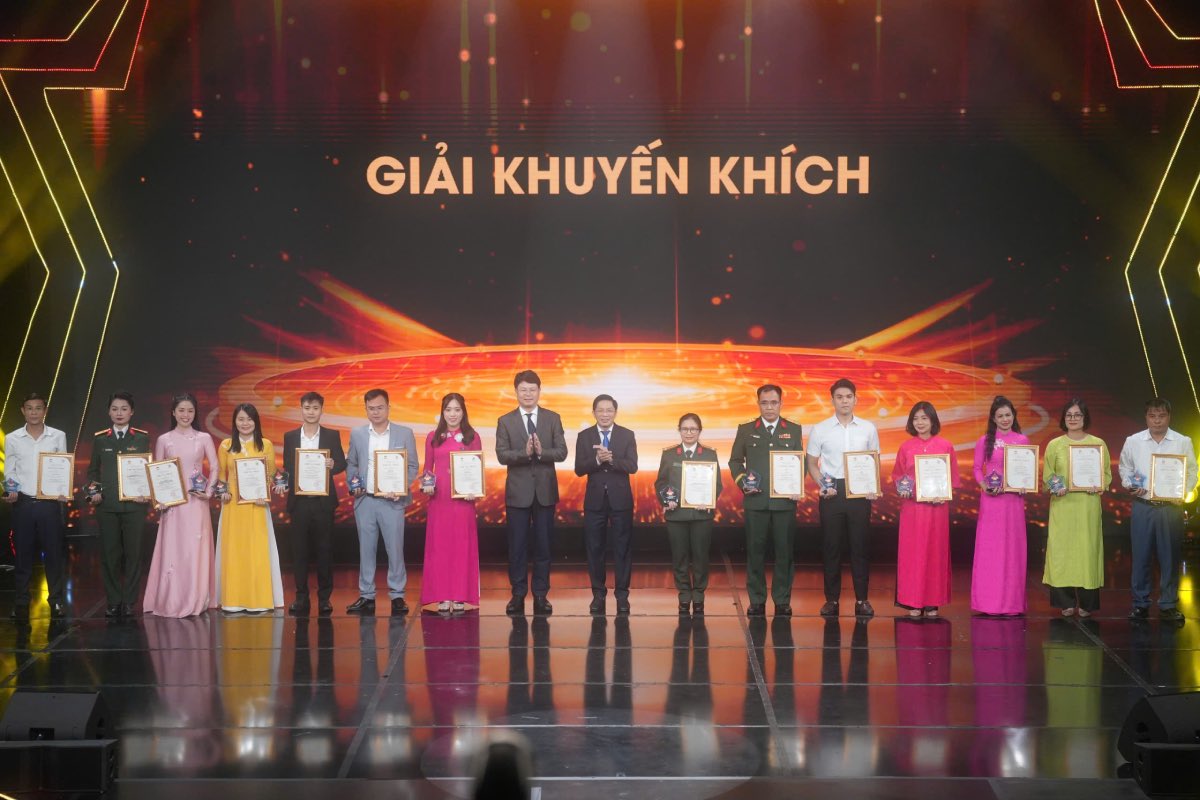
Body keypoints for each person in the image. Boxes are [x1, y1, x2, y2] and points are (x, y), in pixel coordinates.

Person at [805, 378, 880, 618]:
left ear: (856, 399)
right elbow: (811, 463)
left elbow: (873, 460)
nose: (844, 401)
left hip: (859, 492)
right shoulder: (820, 429)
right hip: (832, 492)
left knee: (860, 547)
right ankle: (832, 600)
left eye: (848, 397)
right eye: (839, 397)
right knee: (831, 547)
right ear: (832, 400)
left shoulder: (868, 428)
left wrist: (872, 485)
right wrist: (822, 484)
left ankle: (862, 600)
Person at [495, 370, 568, 616]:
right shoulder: (505, 421)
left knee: (544, 546)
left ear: (539, 391)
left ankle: (540, 595)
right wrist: (524, 454)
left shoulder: (552, 418)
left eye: (532, 390)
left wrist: (541, 452)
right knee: (517, 547)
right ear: (516, 392)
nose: (528, 394)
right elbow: (502, 455)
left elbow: (562, 452)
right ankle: (517, 594)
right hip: (518, 493)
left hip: (545, 492)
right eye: (523, 390)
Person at [1118, 398, 1197, 621]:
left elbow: (1192, 471)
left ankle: (1168, 604)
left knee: (1170, 557)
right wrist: (1130, 485)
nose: (1157, 420)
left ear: (1169, 417)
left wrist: (1183, 492)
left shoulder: (1182, 441)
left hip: (1170, 508)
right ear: (1146, 417)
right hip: (1143, 506)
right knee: (1141, 556)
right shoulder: (1133, 441)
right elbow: (1125, 468)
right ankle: (1140, 603)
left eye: (1161, 416)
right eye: (1152, 416)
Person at [728, 384, 803, 617]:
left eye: (773, 402)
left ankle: (782, 600)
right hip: (756, 502)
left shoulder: (794, 429)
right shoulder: (746, 429)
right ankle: (757, 600)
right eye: (764, 402)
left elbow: (798, 462)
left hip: (784, 503)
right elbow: (735, 461)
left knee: (784, 553)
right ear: (758, 403)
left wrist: (796, 486)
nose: (769, 407)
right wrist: (743, 482)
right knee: (755, 552)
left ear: (781, 403)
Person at [143, 393, 219, 617]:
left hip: (196, 502)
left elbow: (215, 466)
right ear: (173, 412)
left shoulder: (204, 437)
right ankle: (172, 598)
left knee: (194, 550)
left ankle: (196, 597)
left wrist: (208, 492)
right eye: (182, 410)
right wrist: (160, 500)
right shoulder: (164, 439)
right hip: (173, 503)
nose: (186, 415)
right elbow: (157, 470)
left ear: (195, 413)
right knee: (173, 550)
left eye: (190, 411)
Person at [345, 388, 418, 616]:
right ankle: (366, 595)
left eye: (380, 407)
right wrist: (354, 484)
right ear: (365, 409)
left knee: (395, 549)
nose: (375, 412)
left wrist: (401, 486)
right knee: (366, 550)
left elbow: (412, 466)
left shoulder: (404, 433)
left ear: (388, 407)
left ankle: (397, 595)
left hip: (392, 501)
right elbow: (352, 463)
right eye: (371, 408)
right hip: (365, 500)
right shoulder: (357, 433)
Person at [86, 391, 153, 617]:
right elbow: (93, 472)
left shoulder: (142, 438)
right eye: (114, 409)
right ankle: (114, 601)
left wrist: (146, 492)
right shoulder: (100, 439)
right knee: (110, 555)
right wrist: (94, 492)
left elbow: (149, 470)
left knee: (134, 555)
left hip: (135, 506)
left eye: (124, 409)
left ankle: (130, 601)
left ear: (132, 412)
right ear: (109, 412)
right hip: (107, 506)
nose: (119, 413)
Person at [2, 393, 68, 619]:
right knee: (23, 555)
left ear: (45, 411)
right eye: (29, 408)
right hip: (23, 503)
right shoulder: (13, 438)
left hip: (49, 505)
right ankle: (21, 602)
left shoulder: (58, 436)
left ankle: (56, 601)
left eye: (38, 408)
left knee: (54, 554)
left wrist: (62, 489)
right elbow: (10, 470)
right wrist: (11, 489)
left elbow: (62, 466)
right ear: (23, 411)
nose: (33, 412)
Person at [892, 401, 960, 617]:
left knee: (935, 552)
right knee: (913, 554)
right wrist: (902, 489)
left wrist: (944, 492)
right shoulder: (906, 447)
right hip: (912, 509)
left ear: (933, 420)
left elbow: (953, 478)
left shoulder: (946, 446)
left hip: (937, 508)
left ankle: (932, 601)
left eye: (924, 418)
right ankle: (914, 601)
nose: (920, 422)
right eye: (915, 419)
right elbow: (898, 475)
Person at [1042, 398, 1109, 617]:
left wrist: (1099, 485)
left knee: (1087, 552)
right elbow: (1048, 475)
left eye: (1077, 415)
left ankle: (1087, 604)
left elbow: (1106, 474)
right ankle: (1066, 602)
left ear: (1084, 417)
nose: (1073, 419)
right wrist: (1056, 487)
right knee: (1062, 552)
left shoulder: (1098, 444)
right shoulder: (1055, 445)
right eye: (1069, 415)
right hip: (1063, 506)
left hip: (1087, 507)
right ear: (1064, 418)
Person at [282, 391, 347, 616]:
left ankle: (324, 598)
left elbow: (341, 463)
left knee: (324, 551)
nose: (311, 412)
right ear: (301, 409)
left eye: (315, 408)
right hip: (299, 502)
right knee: (299, 552)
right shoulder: (290, 436)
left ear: (322, 410)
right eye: (307, 408)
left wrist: (332, 464)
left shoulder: (331, 435)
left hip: (323, 502)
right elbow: (288, 465)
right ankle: (301, 597)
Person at [215, 403, 284, 613]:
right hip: (232, 507)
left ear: (256, 421)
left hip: (257, 505)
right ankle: (233, 600)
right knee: (234, 551)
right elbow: (221, 476)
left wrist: (271, 489)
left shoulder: (266, 445)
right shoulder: (226, 445)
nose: (245, 423)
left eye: (249, 419)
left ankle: (258, 600)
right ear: (234, 422)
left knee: (257, 551)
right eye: (241, 419)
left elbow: (271, 475)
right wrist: (223, 492)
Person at [574, 394, 639, 615]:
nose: (604, 414)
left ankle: (622, 596)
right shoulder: (584, 436)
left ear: (615, 412)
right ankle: (598, 595)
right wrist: (596, 460)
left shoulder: (627, 435)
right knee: (595, 549)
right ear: (593, 412)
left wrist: (612, 460)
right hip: (594, 501)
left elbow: (632, 466)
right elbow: (579, 468)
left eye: (609, 410)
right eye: (600, 410)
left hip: (621, 500)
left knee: (623, 549)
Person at [655, 413, 723, 615]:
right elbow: (661, 482)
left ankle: (699, 596)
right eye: (685, 429)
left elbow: (717, 484)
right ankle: (684, 595)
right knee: (680, 558)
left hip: (701, 516)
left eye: (693, 429)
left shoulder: (709, 454)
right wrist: (666, 500)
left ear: (699, 431)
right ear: (679, 430)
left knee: (701, 557)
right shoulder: (669, 454)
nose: (689, 433)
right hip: (676, 515)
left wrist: (708, 499)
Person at [419, 392, 482, 613]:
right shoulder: (433, 436)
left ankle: (460, 595)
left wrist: (474, 489)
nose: (452, 414)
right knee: (440, 547)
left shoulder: (472, 436)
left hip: (463, 501)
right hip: (439, 500)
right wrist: (426, 484)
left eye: (457, 409)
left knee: (462, 547)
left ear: (463, 412)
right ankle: (442, 595)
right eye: (448, 410)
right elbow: (427, 468)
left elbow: (476, 468)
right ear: (442, 412)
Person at [971, 395, 1030, 616]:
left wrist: (1025, 484)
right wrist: (984, 485)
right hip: (992, 502)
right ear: (993, 419)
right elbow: (977, 468)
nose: (1005, 419)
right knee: (991, 550)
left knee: (1012, 549)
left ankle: (1011, 603)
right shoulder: (984, 440)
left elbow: (1027, 470)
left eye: (1008, 415)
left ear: (1013, 416)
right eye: (1000, 416)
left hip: (1013, 502)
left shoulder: (1022, 440)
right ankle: (988, 602)